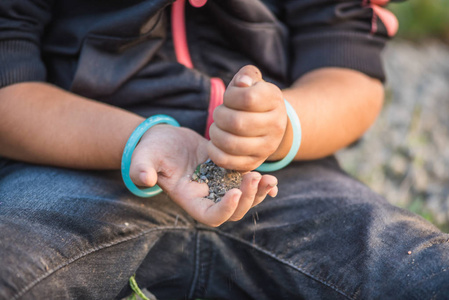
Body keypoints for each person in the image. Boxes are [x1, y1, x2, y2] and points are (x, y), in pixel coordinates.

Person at [0, 0, 448, 299]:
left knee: (427, 273)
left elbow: (349, 73)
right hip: (71, 168)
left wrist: (283, 123)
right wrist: (141, 137)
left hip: (282, 181)